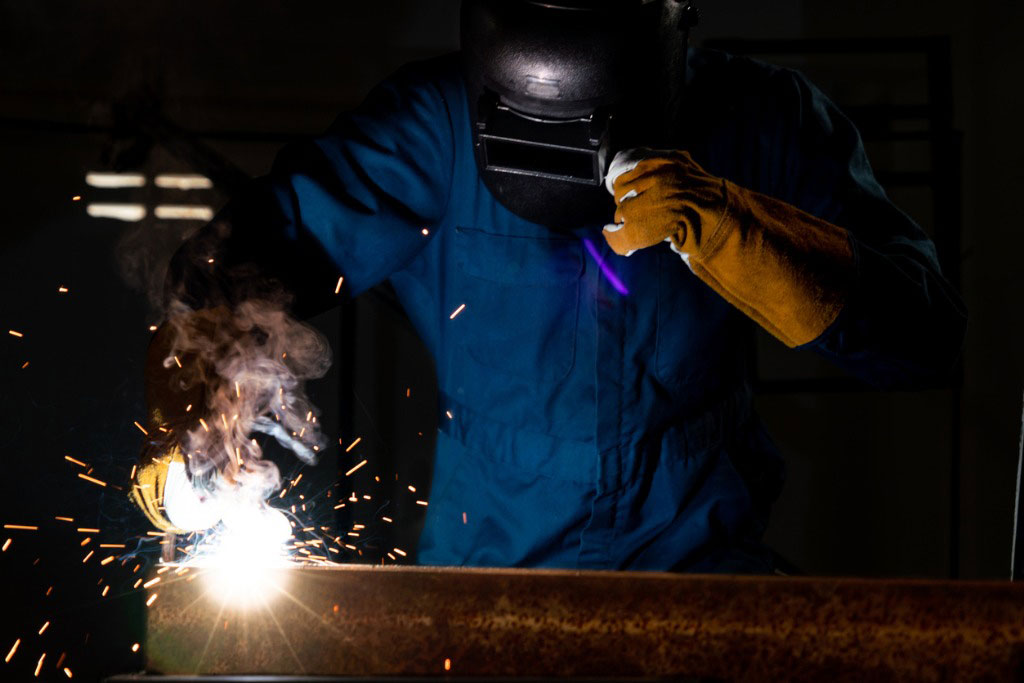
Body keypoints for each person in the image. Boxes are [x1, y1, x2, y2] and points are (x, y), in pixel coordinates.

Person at [133, 0, 966, 573]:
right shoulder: (435, 126)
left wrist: (738, 227)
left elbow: (926, 334)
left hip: (692, 562)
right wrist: (196, 411)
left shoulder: (763, 121)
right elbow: (244, 264)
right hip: (484, 567)